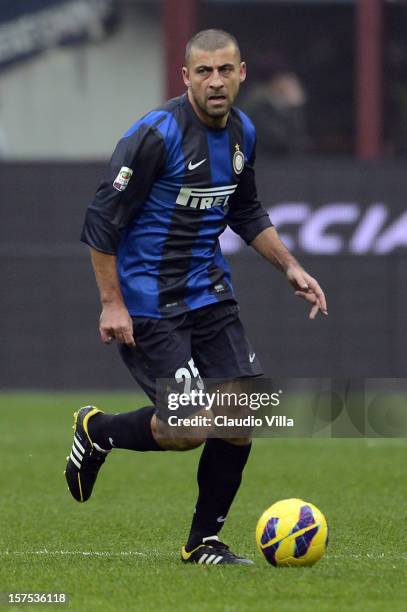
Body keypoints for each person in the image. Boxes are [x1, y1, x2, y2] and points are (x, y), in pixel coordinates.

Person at [65, 29, 327, 565]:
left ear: (241, 74)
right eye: (203, 72)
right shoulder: (155, 136)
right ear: (186, 78)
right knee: (188, 428)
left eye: (224, 71)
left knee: (239, 416)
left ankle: (202, 541)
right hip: (147, 301)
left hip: (208, 293)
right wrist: (111, 303)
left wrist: (290, 266)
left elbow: (246, 210)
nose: (214, 82)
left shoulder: (242, 134)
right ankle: (97, 431)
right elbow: (100, 220)